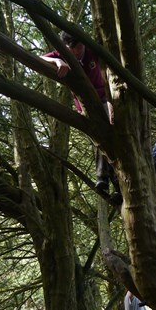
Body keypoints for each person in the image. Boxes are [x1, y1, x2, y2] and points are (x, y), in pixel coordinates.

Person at [41, 31, 119, 197]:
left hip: (103, 99)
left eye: (78, 47)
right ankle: (113, 183)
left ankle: (105, 178)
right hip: (84, 106)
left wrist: (112, 103)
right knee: (100, 140)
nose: (76, 52)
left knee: (107, 135)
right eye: (71, 49)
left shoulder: (91, 50)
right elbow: (41, 58)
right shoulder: (64, 54)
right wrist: (57, 60)